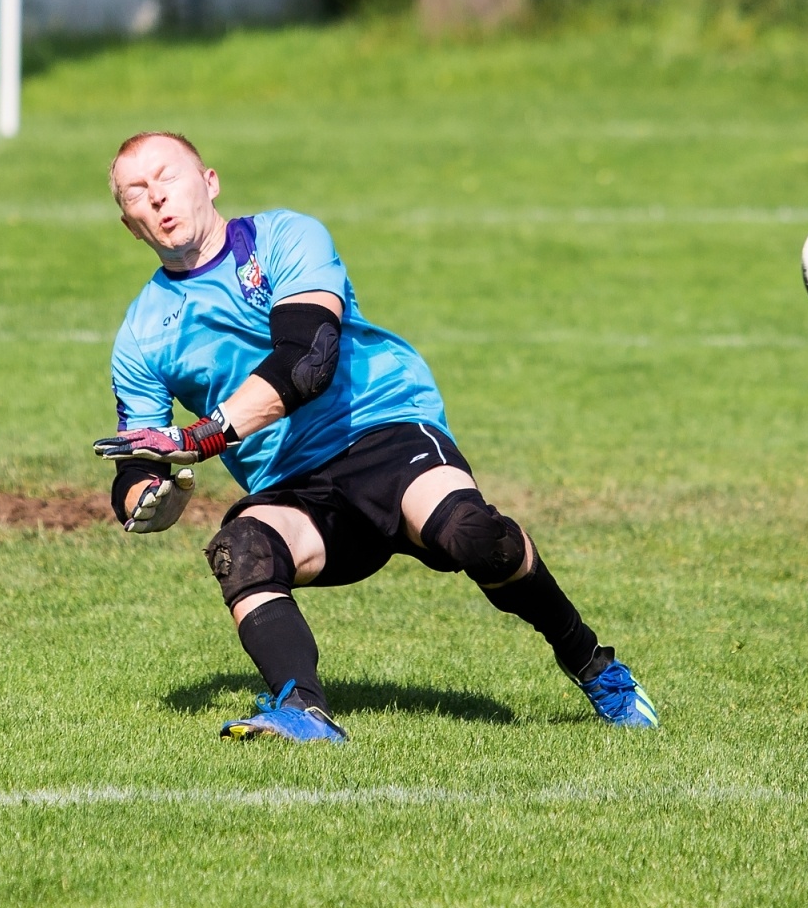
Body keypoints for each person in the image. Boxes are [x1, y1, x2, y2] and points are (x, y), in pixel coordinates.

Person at [93, 131, 657, 742]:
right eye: (137, 193)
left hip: (382, 430)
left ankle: (590, 661)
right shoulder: (143, 333)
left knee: (471, 537)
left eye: (167, 177)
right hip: (293, 486)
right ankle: (300, 708)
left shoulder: (284, 237)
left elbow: (308, 360)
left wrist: (203, 436)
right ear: (129, 224)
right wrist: (148, 500)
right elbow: (134, 465)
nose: (157, 198)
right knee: (240, 548)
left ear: (209, 182)